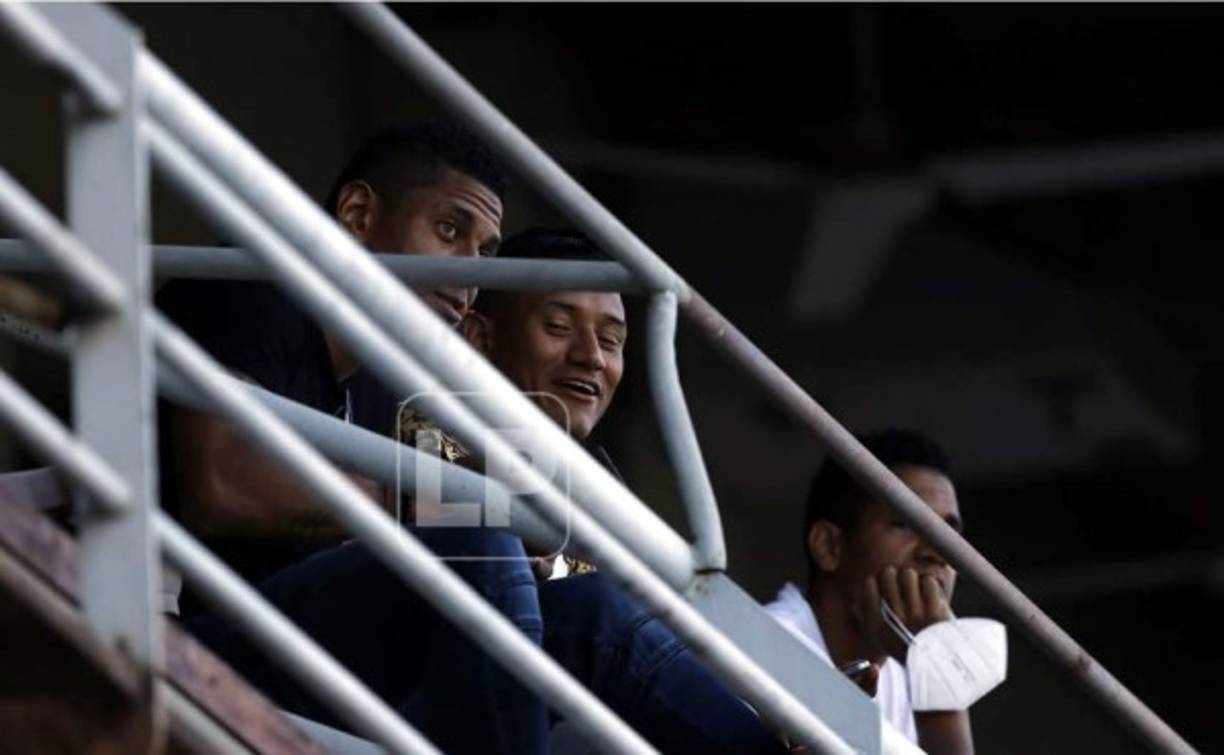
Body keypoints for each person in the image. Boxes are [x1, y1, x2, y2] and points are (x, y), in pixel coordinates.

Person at [159, 122, 550, 754]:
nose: (468, 277)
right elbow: (222, 484)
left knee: (583, 609)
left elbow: (444, 510)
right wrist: (420, 508)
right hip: (186, 640)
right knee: (475, 540)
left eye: (485, 252)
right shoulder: (248, 286)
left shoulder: (386, 383)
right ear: (358, 214)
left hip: (312, 658)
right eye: (449, 232)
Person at [456, 227, 791, 754]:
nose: (591, 356)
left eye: (611, 340)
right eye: (558, 326)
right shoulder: (429, 429)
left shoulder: (596, 484)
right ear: (480, 337)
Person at [764, 429, 975, 755]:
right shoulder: (763, 646)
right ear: (830, 547)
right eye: (906, 523)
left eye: (950, 534)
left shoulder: (901, 675)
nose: (938, 553)